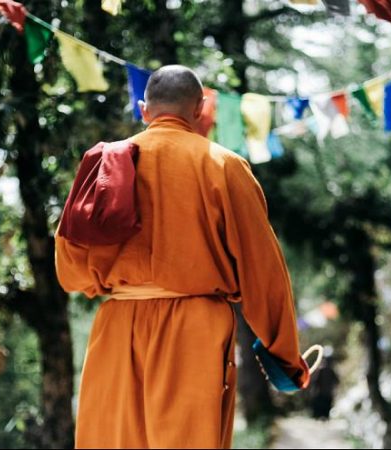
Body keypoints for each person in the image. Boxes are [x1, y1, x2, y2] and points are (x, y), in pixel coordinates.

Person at [55, 65, 309, 449]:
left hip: (117, 330)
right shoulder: (223, 166)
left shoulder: (105, 165)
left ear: (143, 110)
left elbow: (70, 269)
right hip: (195, 330)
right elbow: (263, 272)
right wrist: (285, 357)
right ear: (200, 109)